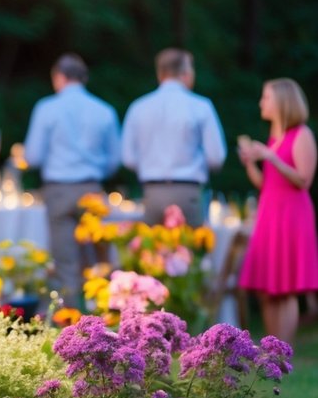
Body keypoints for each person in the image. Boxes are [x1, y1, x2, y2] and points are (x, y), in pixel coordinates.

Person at [23, 53, 120, 305]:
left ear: (59, 77)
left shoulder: (46, 108)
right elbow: (114, 160)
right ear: (84, 78)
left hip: (58, 190)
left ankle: (70, 326)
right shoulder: (104, 110)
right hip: (92, 190)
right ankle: (102, 320)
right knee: (98, 262)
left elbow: (32, 156)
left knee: (66, 264)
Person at [237, 78, 318, 344]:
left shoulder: (301, 134)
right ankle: (272, 347)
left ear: (282, 102)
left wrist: (271, 157)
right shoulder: (274, 137)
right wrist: (251, 164)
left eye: (266, 97)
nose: (262, 102)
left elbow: (303, 180)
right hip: (270, 213)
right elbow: (267, 184)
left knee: (286, 286)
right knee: (268, 287)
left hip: (292, 215)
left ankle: (284, 349)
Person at [121, 48, 226, 227]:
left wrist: (150, 165)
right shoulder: (201, 106)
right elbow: (216, 157)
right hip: (188, 191)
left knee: (151, 252)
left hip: (151, 192)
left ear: (160, 73)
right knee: (190, 252)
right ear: (185, 74)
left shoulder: (138, 107)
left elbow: (128, 158)